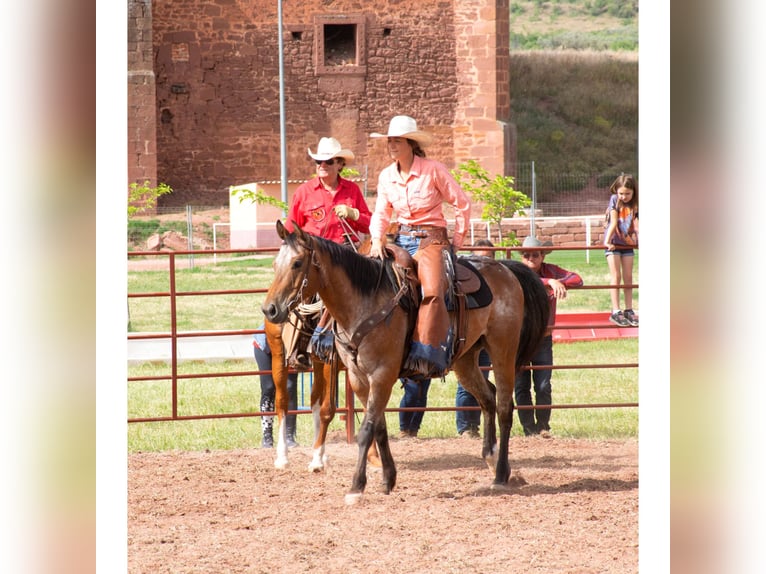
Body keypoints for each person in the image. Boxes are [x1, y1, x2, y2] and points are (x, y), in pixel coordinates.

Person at [368, 115, 472, 439]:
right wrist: (375, 241)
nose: (391, 145)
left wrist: (457, 241)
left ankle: (427, 353)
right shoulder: (387, 176)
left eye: (396, 140)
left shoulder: (434, 170)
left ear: (410, 143)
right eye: (389, 140)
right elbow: (382, 212)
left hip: (431, 238)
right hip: (399, 239)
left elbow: (462, 203)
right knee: (373, 285)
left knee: (432, 291)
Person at [281, 137, 372, 367]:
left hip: (347, 255)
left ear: (339, 164)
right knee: (300, 299)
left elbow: (370, 224)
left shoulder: (352, 190)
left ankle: (372, 342)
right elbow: (292, 228)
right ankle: (299, 348)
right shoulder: (304, 192)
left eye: (328, 162)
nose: (322, 165)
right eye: (318, 161)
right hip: (315, 257)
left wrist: (353, 214)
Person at [515, 235, 583, 437]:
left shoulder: (552, 270)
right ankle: (529, 429)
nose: (530, 258)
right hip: (520, 337)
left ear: (542, 256)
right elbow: (528, 281)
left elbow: (577, 279)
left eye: (535, 254)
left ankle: (543, 426)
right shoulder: (518, 273)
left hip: (543, 337)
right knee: (521, 384)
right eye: (526, 255)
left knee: (543, 384)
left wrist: (558, 281)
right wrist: (549, 281)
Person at [455, 239, 495, 438]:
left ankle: (473, 426)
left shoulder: (493, 284)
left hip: (483, 332)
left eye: (487, 259)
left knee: (480, 379)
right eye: (478, 258)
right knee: (466, 382)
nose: (482, 262)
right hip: (470, 332)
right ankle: (466, 427)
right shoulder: (468, 282)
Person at [253, 327, 299, 448]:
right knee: (268, 388)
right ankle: (267, 435)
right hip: (265, 347)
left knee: (290, 387)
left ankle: (289, 435)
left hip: (289, 346)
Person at [603, 174, 639, 327]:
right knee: (616, 276)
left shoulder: (636, 203)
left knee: (628, 277)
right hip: (613, 243)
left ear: (633, 192)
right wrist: (606, 241)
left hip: (627, 243)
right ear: (616, 192)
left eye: (627, 194)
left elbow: (637, 225)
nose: (624, 196)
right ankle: (616, 310)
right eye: (621, 193)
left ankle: (629, 309)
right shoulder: (614, 200)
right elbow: (613, 222)